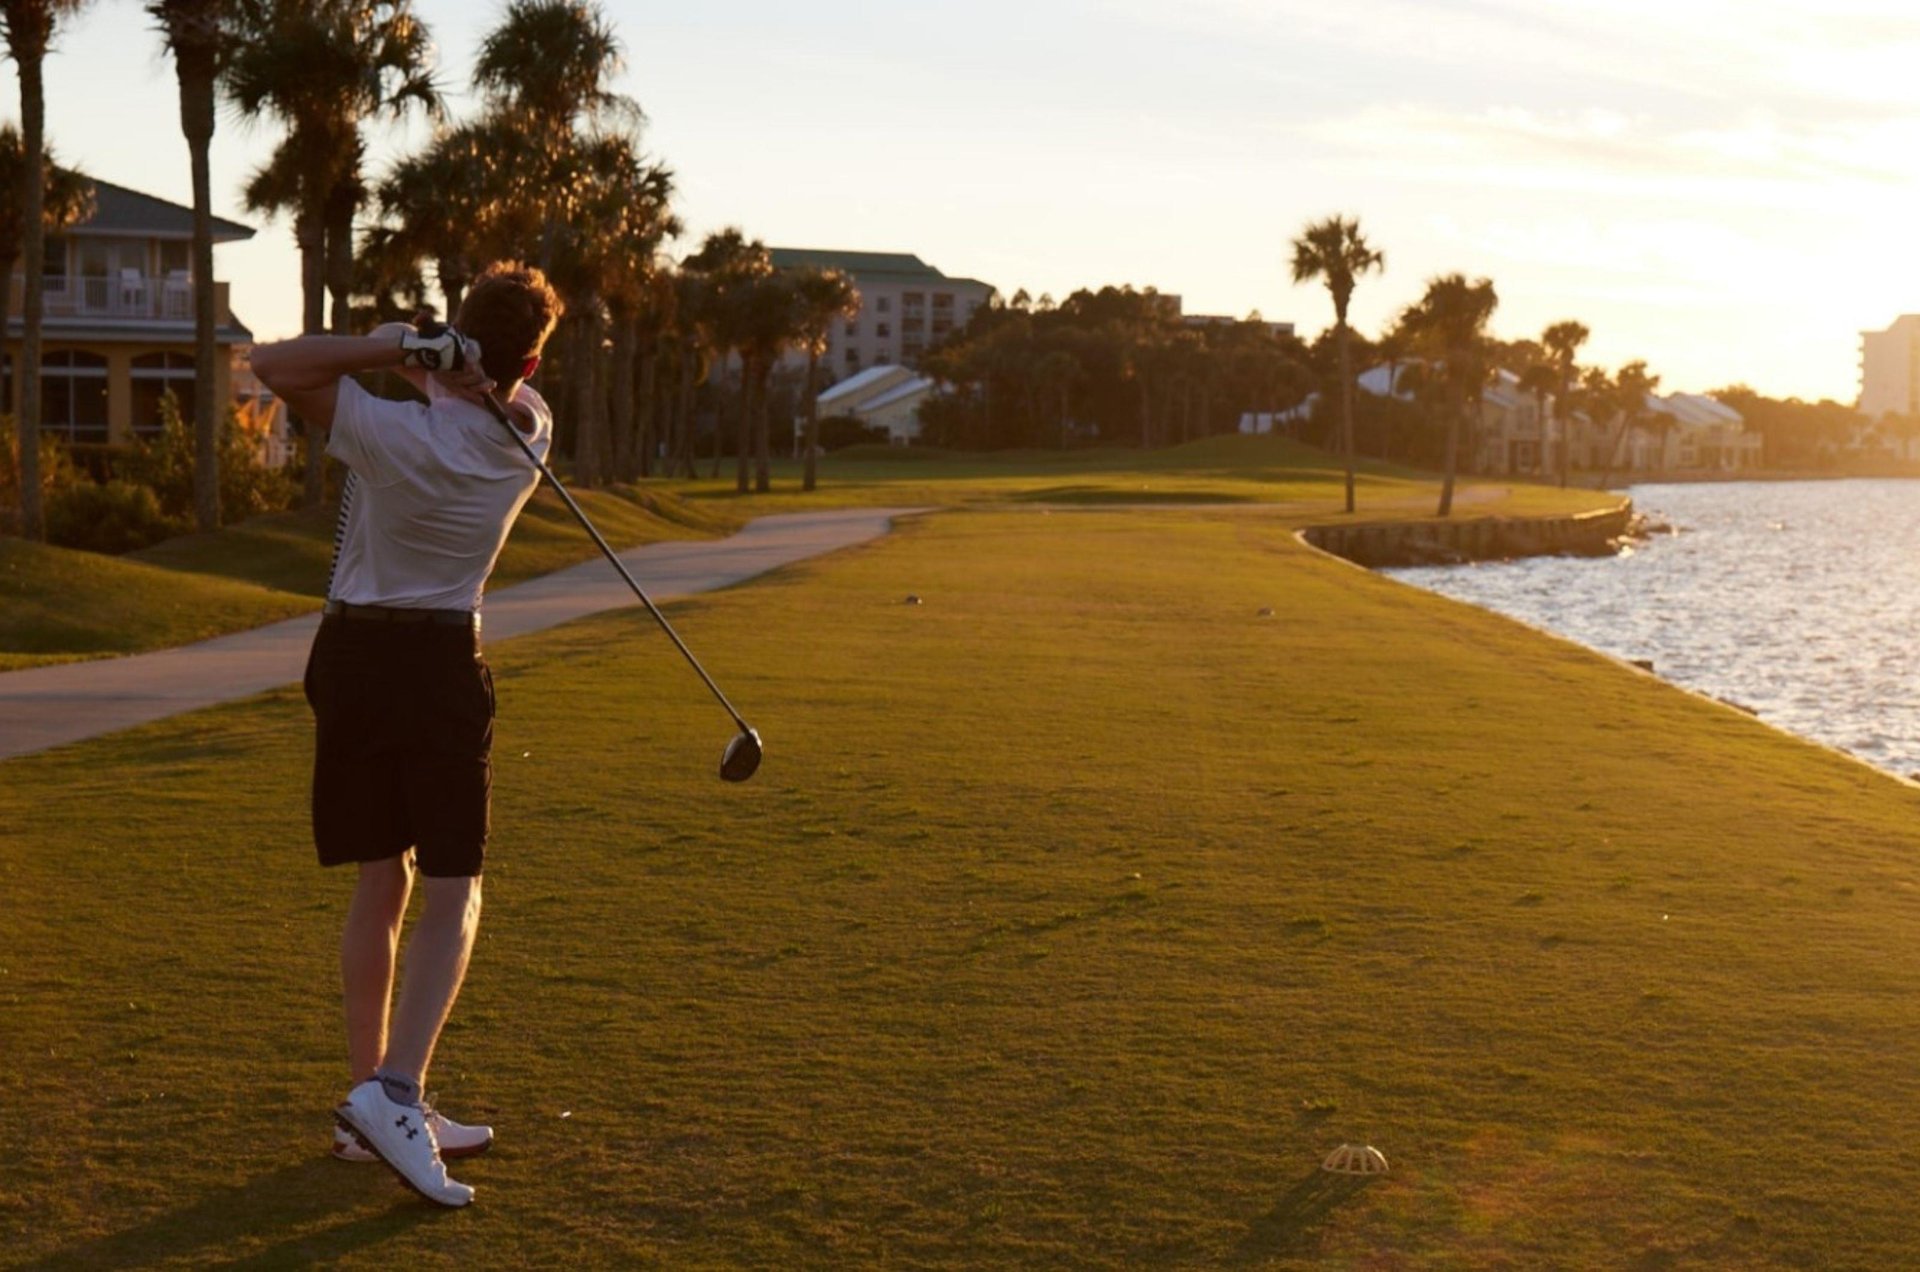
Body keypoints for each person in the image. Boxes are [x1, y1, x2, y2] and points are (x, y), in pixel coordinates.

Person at [251, 262, 563, 1208]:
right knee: (455, 888)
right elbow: (482, 389)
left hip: (350, 657)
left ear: (458, 338)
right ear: (533, 358)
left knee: (385, 877)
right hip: (436, 667)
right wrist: (445, 361)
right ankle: (391, 1095)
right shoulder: (532, 433)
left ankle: (372, 1106)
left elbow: (275, 362)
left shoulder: (387, 431)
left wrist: (399, 343)